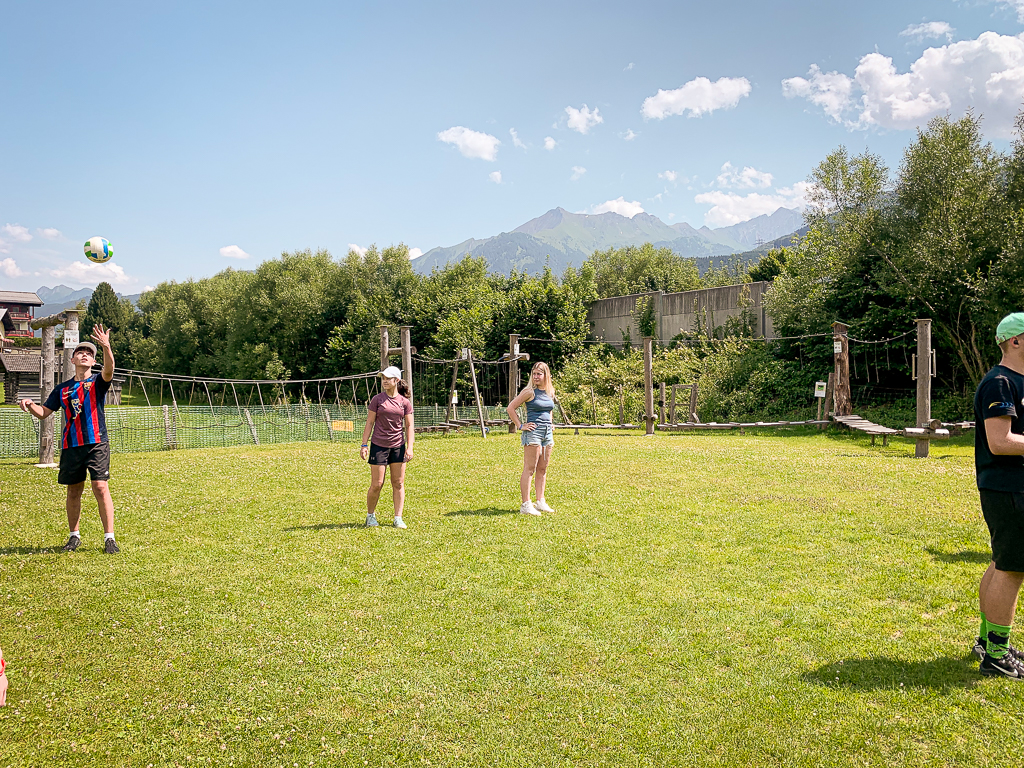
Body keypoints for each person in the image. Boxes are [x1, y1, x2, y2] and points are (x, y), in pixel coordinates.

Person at [19, 325, 120, 554]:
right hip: (71, 446)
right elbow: (45, 412)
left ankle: (109, 539)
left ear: (93, 362)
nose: (85, 354)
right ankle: (74, 537)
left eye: (90, 353)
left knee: (100, 486)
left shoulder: (97, 382)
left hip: (97, 443)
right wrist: (30, 404)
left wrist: (106, 346)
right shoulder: (62, 389)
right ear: (72, 359)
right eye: (81, 352)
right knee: (73, 491)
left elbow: (110, 369)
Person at [973, 312, 1024, 678]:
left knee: (1000, 562)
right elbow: (1000, 441)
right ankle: (996, 656)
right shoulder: (1000, 383)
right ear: (1016, 341)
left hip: (1011, 489)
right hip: (1009, 489)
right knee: (1013, 568)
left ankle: (987, 640)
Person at [360, 366, 414, 528]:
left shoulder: (405, 403)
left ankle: (398, 518)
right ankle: (370, 516)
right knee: (377, 484)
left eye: (388, 378)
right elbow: (369, 422)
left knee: (398, 483)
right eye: (383, 378)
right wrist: (364, 444)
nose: (384, 381)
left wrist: (409, 447)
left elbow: (409, 426)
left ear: (396, 381)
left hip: (398, 446)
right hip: (379, 446)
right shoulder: (377, 399)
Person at [506, 362, 557, 516]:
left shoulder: (550, 392)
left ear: (545, 375)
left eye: (539, 374)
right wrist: (521, 426)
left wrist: (551, 423)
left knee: (543, 468)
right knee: (530, 468)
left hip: (547, 433)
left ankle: (540, 501)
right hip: (533, 433)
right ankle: (526, 504)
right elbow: (510, 408)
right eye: (534, 374)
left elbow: (549, 410)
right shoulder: (529, 392)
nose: (535, 377)